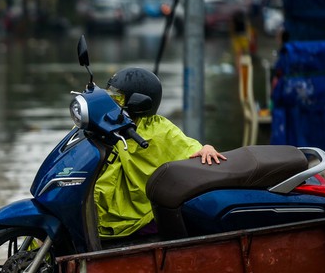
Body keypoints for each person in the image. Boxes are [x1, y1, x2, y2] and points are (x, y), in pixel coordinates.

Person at [94, 67, 226, 238]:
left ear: (136, 103)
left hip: (139, 217)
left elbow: (190, 149)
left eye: (118, 98)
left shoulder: (159, 130)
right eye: (111, 96)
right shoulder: (104, 124)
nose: (113, 103)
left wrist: (206, 148)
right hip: (99, 212)